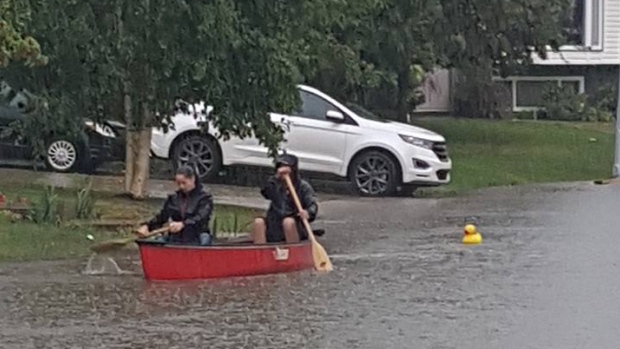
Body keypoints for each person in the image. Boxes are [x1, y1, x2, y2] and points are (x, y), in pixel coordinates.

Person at [137, 166, 214, 245]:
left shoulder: (205, 199)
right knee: (158, 241)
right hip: (176, 237)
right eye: (178, 183)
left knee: (205, 239)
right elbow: (162, 216)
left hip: (196, 236)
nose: (181, 186)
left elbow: (201, 217)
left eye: (184, 183)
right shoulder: (173, 199)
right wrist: (147, 226)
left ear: (193, 179)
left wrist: (183, 224)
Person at [251, 154, 318, 244]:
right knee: (258, 222)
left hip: (294, 225)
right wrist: (276, 178)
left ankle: (293, 252)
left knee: (288, 222)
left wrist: (307, 212)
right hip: (274, 226)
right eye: (280, 167)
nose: (283, 171)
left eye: (286, 167)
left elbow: (312, 205)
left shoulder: (303, 187)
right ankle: (260, 254)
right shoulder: (274, 184)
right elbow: (265, 192)